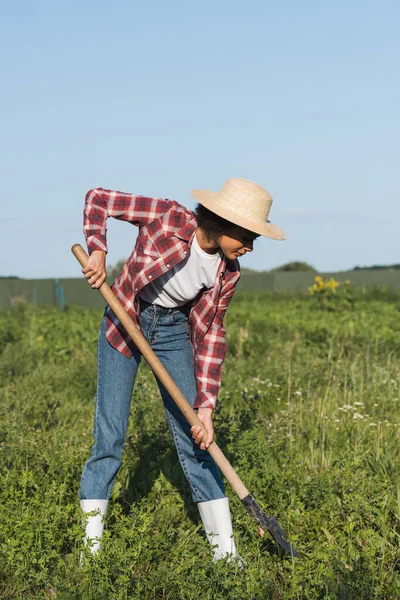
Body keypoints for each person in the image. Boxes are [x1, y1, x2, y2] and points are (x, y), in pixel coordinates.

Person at [79, 177, 286, 561]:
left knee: (198, 441)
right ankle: (89, 555)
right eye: (249, 235)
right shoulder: (168, 217)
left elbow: (210, 335)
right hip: (126, 318)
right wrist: (97, 251)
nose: (251, 247)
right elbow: (98, 199)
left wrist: (205, 408)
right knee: (109, 439)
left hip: (173, 333)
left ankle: (227, 558)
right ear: (224, 223)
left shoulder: (229, 272)